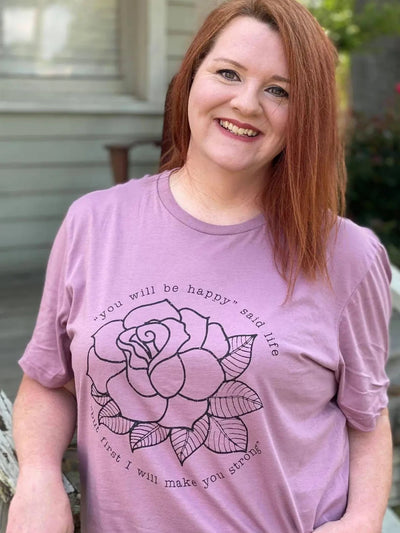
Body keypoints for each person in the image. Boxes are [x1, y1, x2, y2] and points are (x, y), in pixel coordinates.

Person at [6, 0, 393, 531]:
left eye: (279, 90)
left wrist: (364, 521)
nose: (247, 102)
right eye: (228, 73)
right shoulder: (94, 222)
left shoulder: (347, 254)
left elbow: (367, 418)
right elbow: (50, 379)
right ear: (191, 77)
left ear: (307, 115)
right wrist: (40, 477)